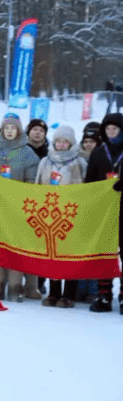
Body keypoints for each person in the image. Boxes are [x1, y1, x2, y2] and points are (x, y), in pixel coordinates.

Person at [0, 113, 41, 301]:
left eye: (13, 128)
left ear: (19, 130)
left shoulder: (28, 153)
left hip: (17, 208)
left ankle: (15, 288)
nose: (9, 131)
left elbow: (32, 181)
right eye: (6, 128)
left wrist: (17, 191)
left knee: (15, 247)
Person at [34, 124, 86, 308]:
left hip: (70, 214)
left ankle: (69, 294)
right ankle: (54, 292)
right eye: (59, 141)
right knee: (52, 254)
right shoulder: (45, 161)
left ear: (71, 143)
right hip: (49, 214)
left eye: (66, 141)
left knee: (69, 255)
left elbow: (87, 190)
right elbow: (37, 185)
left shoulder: (79, 162)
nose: (62, 144)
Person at [86, 112, 123, 313]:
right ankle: (104, 296)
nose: (111, 132)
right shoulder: (99, 153)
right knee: (104, 254)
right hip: (104, 211)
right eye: (107, 129)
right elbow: (89, 182)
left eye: (115, 129)